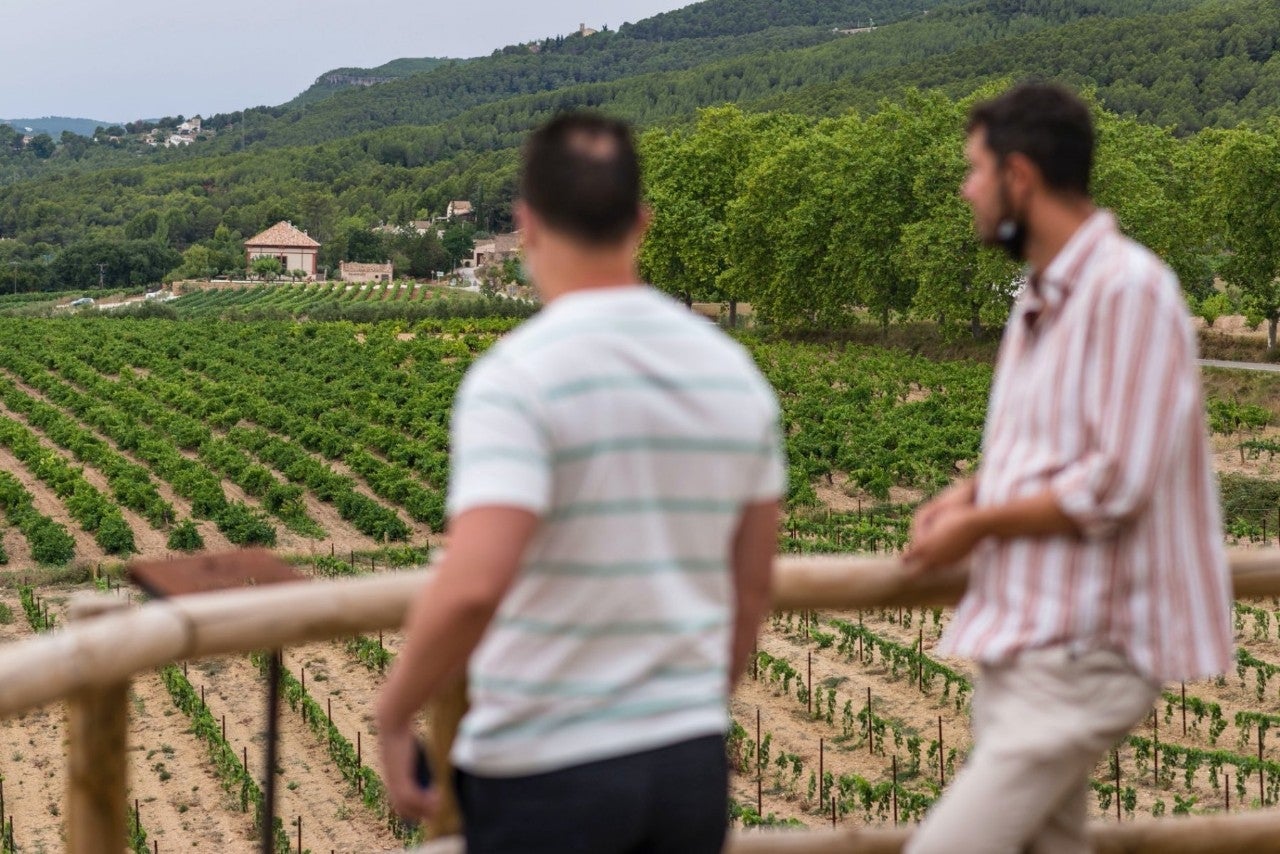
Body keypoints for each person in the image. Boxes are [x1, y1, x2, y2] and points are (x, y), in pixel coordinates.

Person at [376, 111, 785, 853]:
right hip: (688, 767)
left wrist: (394, 713)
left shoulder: (517, 377)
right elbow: (751, 588)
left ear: (526, 224)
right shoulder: (734, 374)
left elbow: (473, 585)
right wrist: (690, 708)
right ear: (642, 221)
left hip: (548, 771)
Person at [903, 83, 1233, 854]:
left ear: (1020, 176)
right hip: (1030, 640)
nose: (966, 189)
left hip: (1087, 648)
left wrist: (977, 525)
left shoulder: (1128, 290)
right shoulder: (1042, 296)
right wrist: (965, 493)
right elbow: (1037, 450)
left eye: (976, 170)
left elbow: (1115, 479)